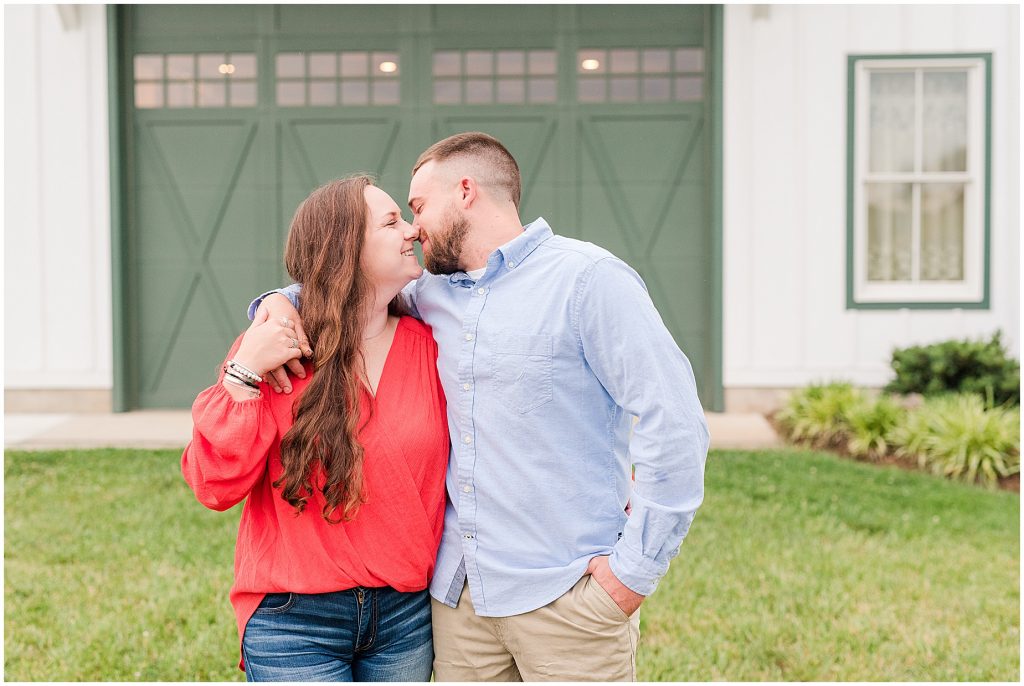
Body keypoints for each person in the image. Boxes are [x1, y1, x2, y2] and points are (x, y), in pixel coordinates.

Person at [251, 132, 710, 681]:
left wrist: (634, 573)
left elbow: (675, 422)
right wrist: (278, 303)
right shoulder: (429, 294)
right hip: (458, 606)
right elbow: (342, 286)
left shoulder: (586, 280)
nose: (414, 229)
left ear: (465, 190)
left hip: (568, 597)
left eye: (418, 206)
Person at [182, 176, 449, 682]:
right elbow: (214, 485)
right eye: (392, 222)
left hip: (405, 617)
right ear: (344, 247)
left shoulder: (431, 344)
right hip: (293, 619)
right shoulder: (274, 346)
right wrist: (244, 372)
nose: (413, 230)